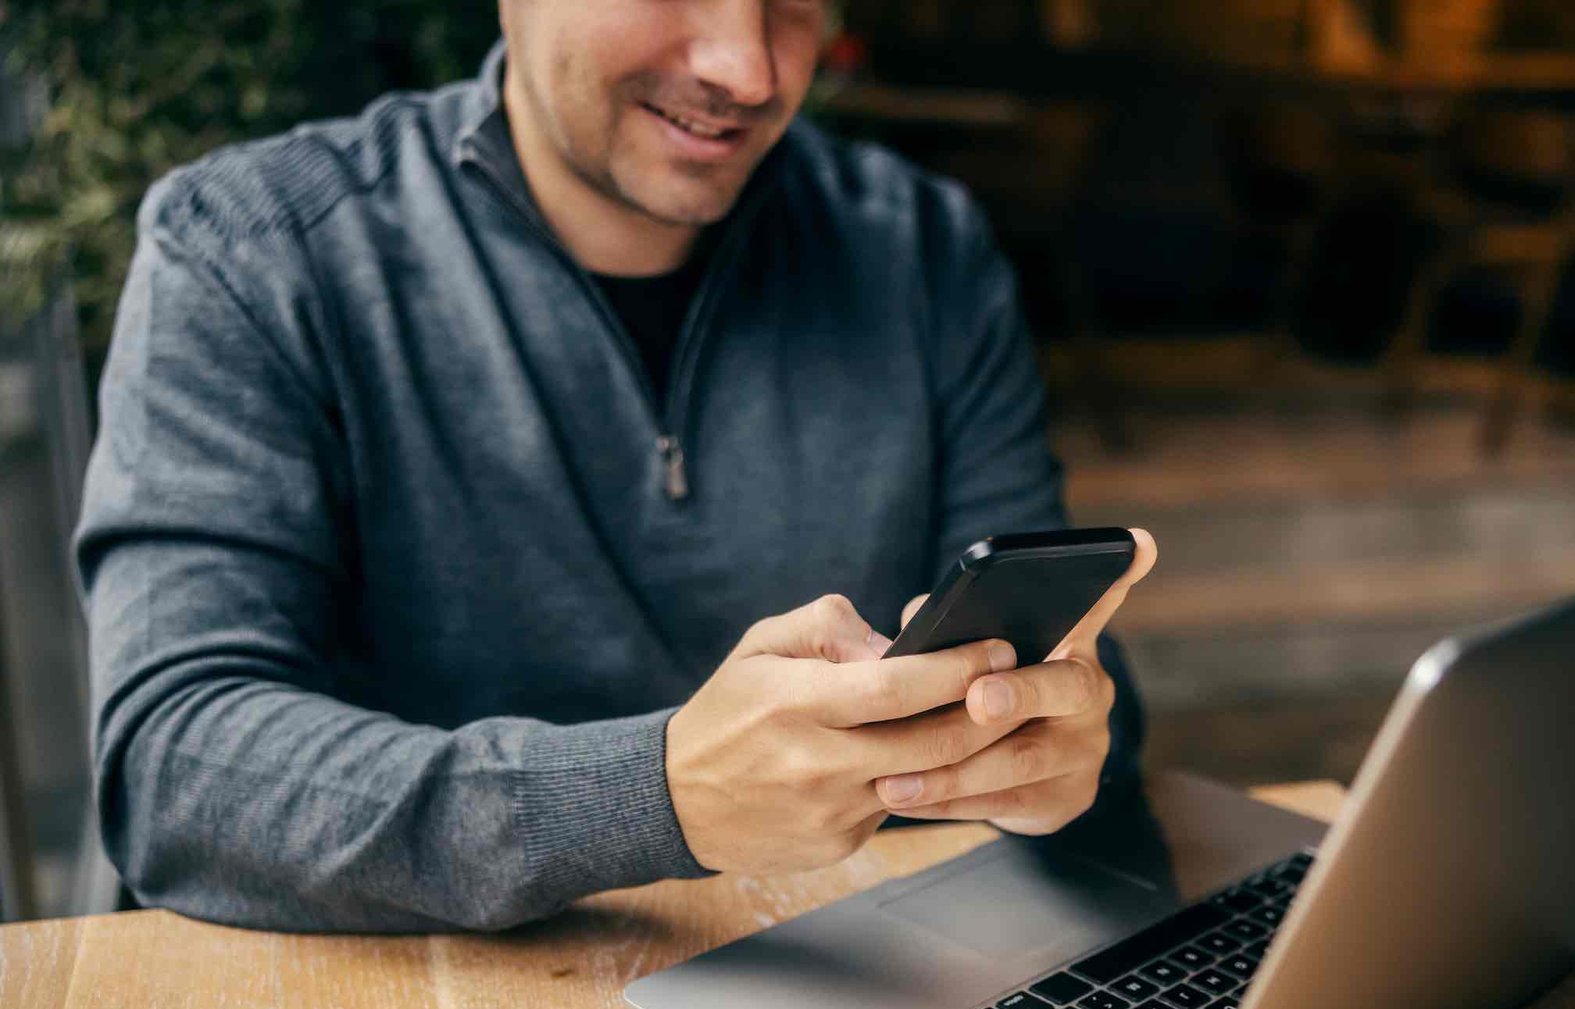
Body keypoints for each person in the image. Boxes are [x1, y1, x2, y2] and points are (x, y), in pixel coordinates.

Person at [75, 0, 1154, 933]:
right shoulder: (253, 249)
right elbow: (177, 770)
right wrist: (653, 797)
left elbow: (1075, 702)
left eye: (793, 0)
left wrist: (1048, 743)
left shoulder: (919, 246)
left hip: (842, 982)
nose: (752, 70)